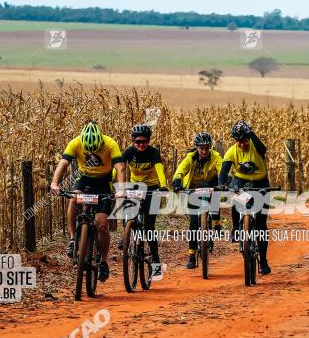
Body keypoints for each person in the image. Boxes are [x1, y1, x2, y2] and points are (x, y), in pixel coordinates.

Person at [50, 120, 125, 281]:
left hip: (103, 182)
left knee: (102, 225)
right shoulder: (75, 142)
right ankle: (72, 239)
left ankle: (103, 262)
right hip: (84, 179)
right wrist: (55, 183)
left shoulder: (110, 143)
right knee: (73, 199)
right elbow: (63, 163)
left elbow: (120, 168)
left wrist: (121, 190)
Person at [218, 119, 272, 275]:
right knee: (235, 197)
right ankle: (236, 227)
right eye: (239, 141)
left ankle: (263, 260)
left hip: (260, 181)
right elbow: (224, 171)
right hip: (241, 179)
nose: (242, 144)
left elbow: (263, 148)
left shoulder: (255, 146)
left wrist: (252, 135)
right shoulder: (231, 151)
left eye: (244, 140)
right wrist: (222, 184)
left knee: (261, 224)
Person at [119, 124, 168, 270]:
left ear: (149, 141)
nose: (141, 145)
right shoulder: (128, 152)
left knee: (149, 227)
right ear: (133, 141)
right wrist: (111, 182)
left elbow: (159, 169)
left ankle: (155, 259)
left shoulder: (153, 153)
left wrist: (163, 185)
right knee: (125, 207)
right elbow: (119, 168)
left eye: (144, 142)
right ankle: (127, 234)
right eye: (138, 142)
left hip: (152, 188)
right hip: (135, 186)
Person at [172, 132, 223, 269]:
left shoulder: (216, 156)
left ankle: (217, 224)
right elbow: (180, 170)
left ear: (210, 147)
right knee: (194, 222)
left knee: (215, 201)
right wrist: (177, 181)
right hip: (194, 188)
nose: (204, 151)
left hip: (210, 183)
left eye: (206, 148)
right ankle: (192, 255)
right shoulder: (191, 157)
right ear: (197, 148)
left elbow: (222, 170)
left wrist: (226, 181)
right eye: (201, 148)